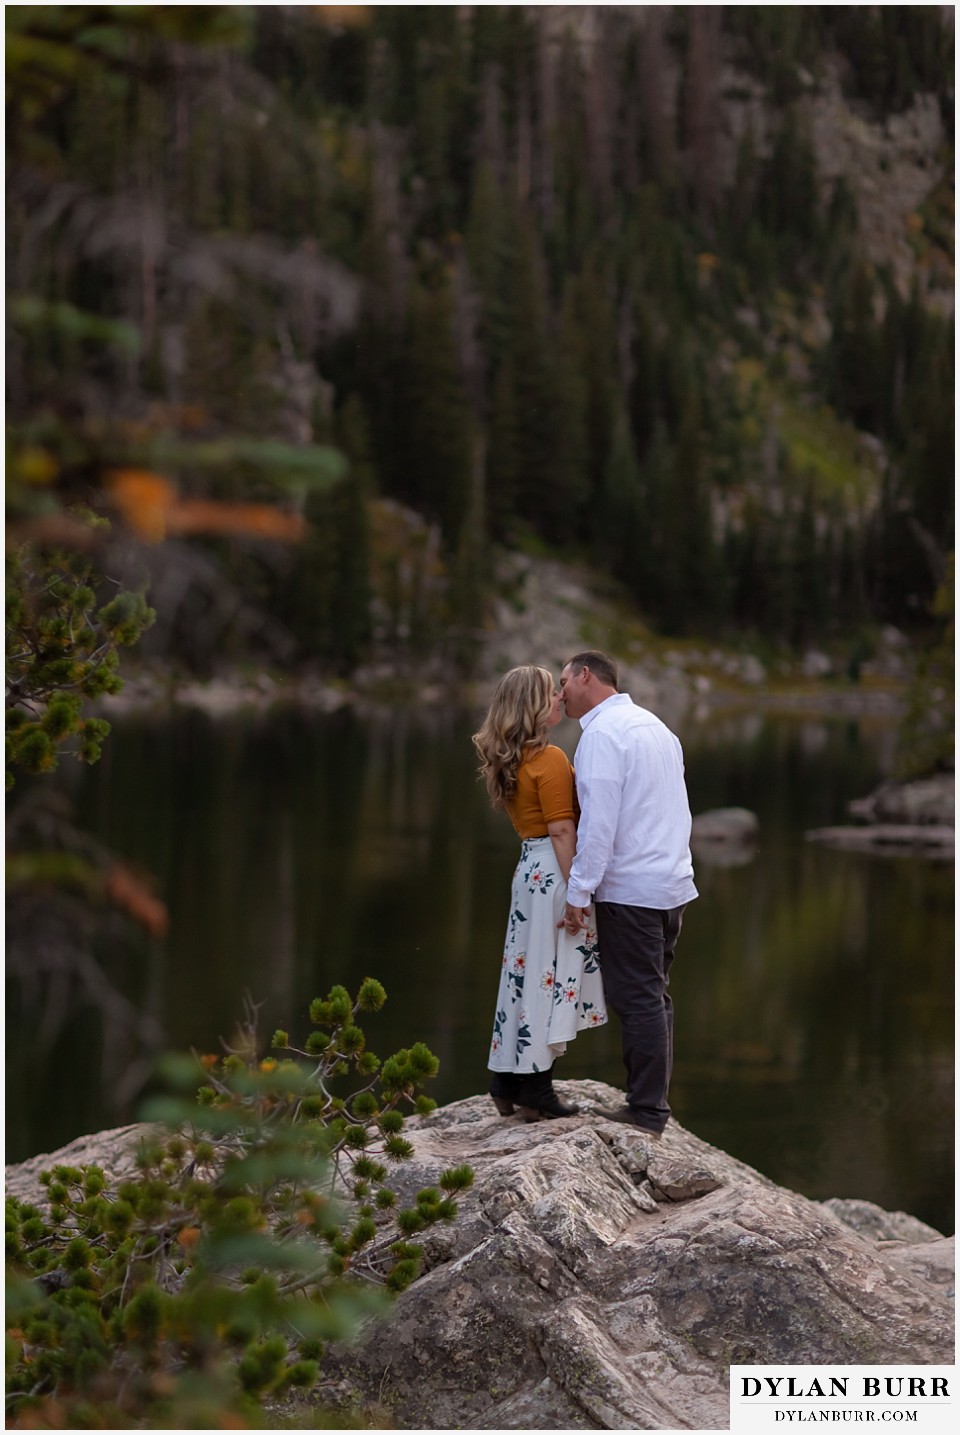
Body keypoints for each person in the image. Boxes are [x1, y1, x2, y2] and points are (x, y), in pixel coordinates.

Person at [558, 650, 697, 1138]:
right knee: (654, 995)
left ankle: (646, 1111)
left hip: (633, 888)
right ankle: (652, 1102)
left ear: (586, 676)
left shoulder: (601, 735)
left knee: (637, 998)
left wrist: (579, 890)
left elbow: (599, 824)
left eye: (564, 682)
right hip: (670, 882)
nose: (561, 694)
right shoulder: (657, 728)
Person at [472, 665, 608, 1121]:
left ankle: (506, 1077)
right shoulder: (548, 759)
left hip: (528, 871)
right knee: (547, 975)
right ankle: (535, 1085)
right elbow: (563, 831)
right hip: (552, 873)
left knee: (523, 973)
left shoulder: (515, 758)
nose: (558, 699)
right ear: (532, 706)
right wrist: (579, 893)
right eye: (550, 694)